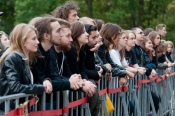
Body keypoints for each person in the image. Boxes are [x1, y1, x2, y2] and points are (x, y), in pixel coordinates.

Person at [0, 24, 47, 113]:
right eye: (34, 39)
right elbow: (15, 87)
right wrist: (40, 88)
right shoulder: (13, 58)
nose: (37, 42)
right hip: (10, 111)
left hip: (17, 110)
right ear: (23, 41)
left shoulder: (21, 57)